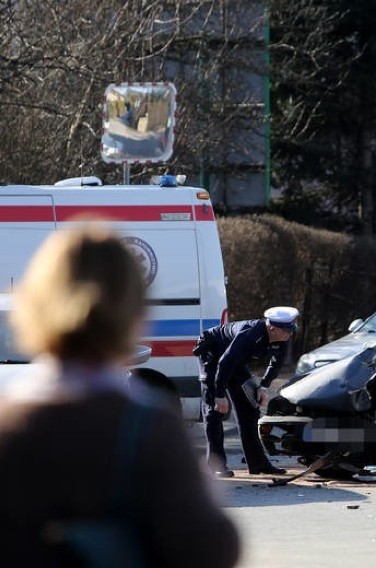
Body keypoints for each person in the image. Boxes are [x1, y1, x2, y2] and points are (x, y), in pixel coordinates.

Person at [0, 223, 240, 566]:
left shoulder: (7, 423)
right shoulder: (150, 427)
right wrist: (208, 495)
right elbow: (207, 549)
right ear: (133, 311)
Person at [194, 306, 299, 477]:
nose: (289, 335)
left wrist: (263, 386)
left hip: (233, 359)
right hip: (213, 352)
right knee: (214, 411)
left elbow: (276, 363)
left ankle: (258, 463)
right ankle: (216, 465)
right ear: (272, 328)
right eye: (286, 331)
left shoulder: (281, 337)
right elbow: (224, 363)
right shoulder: (250, 335)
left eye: (291, 330)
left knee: (250, 407)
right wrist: (220, 395)